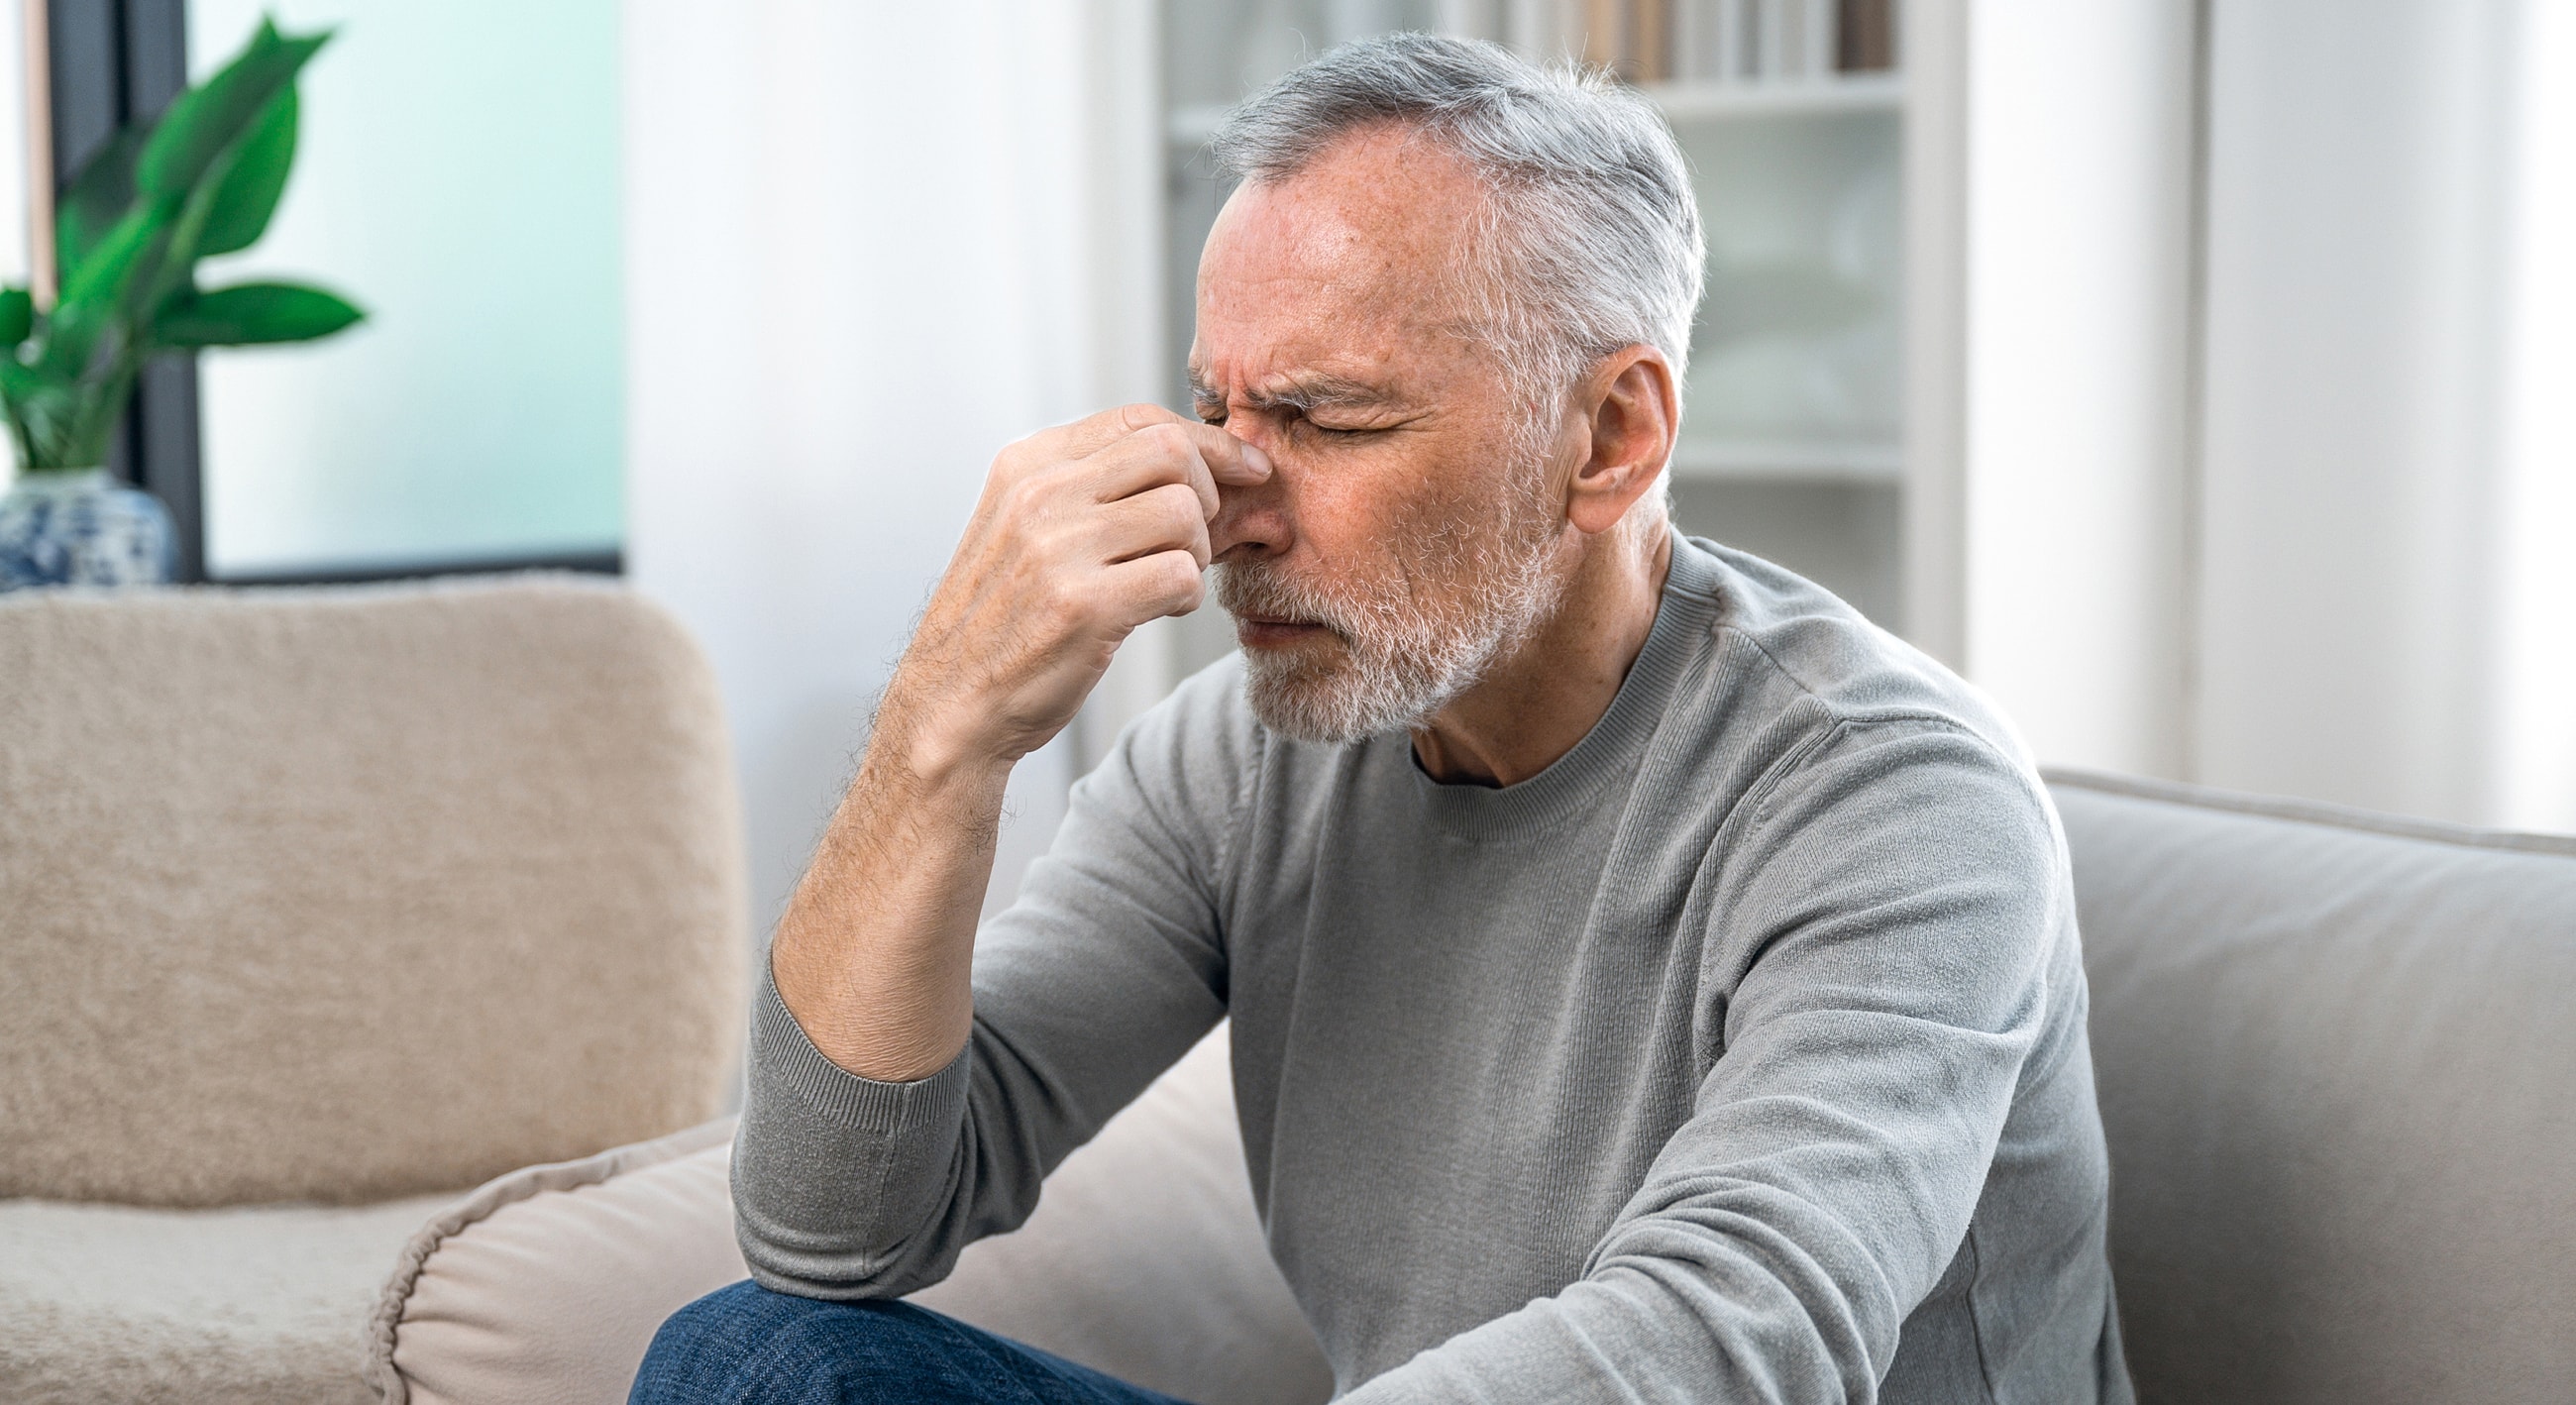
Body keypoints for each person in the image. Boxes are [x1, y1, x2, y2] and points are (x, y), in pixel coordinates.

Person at [633, 33, 2131, 1405]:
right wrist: (938, 732)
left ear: (1610, 438)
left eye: (1328, 419)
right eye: (1220, 408)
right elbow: (830, 1228)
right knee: (759, 1357)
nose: (1230, 503)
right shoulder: (1236, 758)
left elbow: (1731, 1338)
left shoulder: (1896, 795)